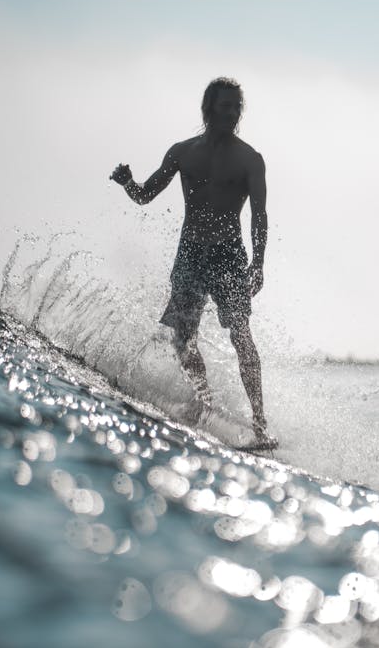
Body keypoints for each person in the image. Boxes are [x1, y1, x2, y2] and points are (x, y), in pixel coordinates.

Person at [110, 77, 272, 445]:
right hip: (191, 254)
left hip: (230, 257)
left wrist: (258, 263)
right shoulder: (183, 152)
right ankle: (204, 405)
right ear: (208, 108)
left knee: (241, 337)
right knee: (182, 340)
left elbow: (259, 216)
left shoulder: (250, 159)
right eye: (225, 106)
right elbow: (145, 195)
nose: (231, 113)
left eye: (236, 107)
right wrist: (127, 183)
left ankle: (261, 424)